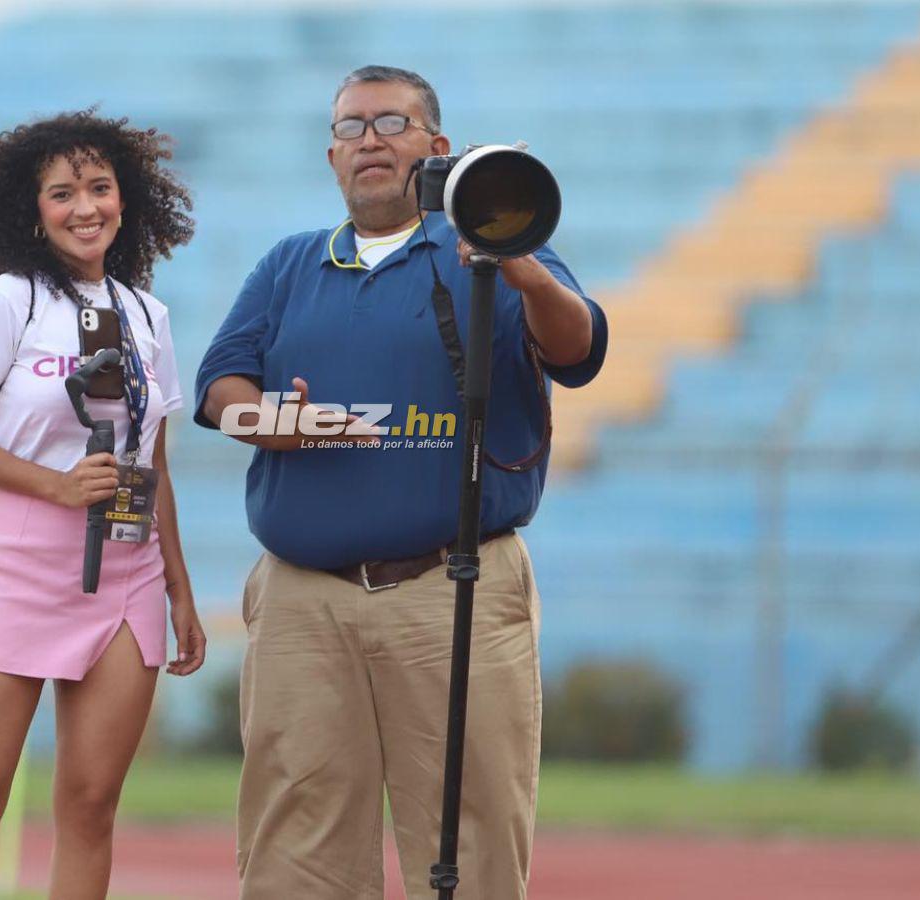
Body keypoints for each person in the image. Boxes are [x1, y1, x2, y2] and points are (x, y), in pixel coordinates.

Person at [194, 66, 608, 899]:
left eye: (392, 122)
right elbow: (217, 387)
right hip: (303, 598)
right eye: (351, 128)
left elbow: (578, 350)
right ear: (332, 157)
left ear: (438, 148)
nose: (370, 141)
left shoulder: (492, 244)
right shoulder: (290, 263)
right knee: (295, 841)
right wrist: (272, 420)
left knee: (470, 836)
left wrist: (519, 266)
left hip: (452, 587)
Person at [0, 110, 206, 900]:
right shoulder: (5, 302)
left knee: (90, 805)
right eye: (63, 193)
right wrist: (54, 486)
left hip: (127, 569)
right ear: (30, 209)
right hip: (13, 560)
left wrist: (179, 588)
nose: (86, 208)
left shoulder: (149, 316)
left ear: (126, 199)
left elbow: (156, 463)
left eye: (101, 188)